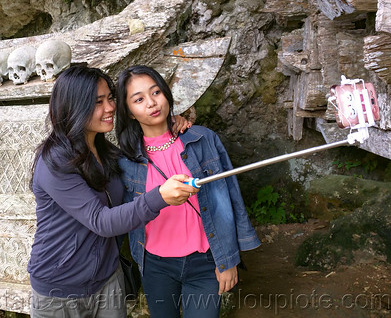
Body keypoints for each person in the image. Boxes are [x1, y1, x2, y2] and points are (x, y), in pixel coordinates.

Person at [27, 64, 198, 318]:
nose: (109, 108)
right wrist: (160, 196)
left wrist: (168, 125)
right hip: (59, 289)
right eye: (98, 102)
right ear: (74, 107)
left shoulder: (108, 154)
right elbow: (102, 221)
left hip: (108, 280)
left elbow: (146, 158)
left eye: (110, 98)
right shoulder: (55, 162)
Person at [115, 65, 261, 318]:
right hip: (155, 266)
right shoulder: (125, 160)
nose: (151, 103)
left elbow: (230, 198)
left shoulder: (202, 140)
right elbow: (121, 214)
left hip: (205, 261)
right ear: (128, 112)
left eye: (156, 92)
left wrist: (228, 259)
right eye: (139, 99)